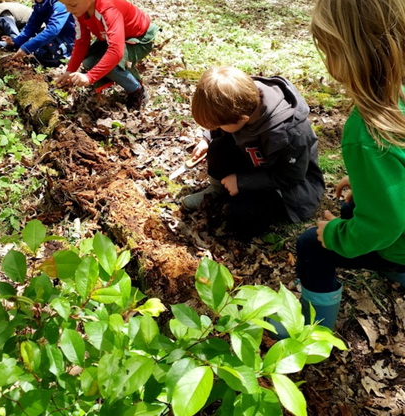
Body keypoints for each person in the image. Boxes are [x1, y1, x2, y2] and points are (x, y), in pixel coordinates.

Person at [295, 0, 405, 331]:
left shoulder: (366, 131)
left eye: (329, 50)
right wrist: (368, 183)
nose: (327, 61)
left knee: (310, 245)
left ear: (351, 55)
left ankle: (313, 333)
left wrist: (336, 235)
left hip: (399, 240)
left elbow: (386, 223)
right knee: (350, 206)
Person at [183, 66, 325, 238]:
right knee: (217, 147)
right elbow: (224, 122)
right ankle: (217, 190)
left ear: (243, 119)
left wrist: (243, 182)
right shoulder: (240, 99)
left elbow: (291, 176)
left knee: (242, 215)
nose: (216, 128)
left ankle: (237, 200)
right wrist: (206, 139)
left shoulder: (287, 133)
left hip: (288, 188)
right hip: (255, 160)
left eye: (218, 125)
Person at [55, 0, 158, 111]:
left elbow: (116, 52)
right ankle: (117, 77)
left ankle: (137, 91)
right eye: (65, 5)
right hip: (113, 38)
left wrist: (90, 77)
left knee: (112, 67)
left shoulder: (108, 9)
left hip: (139, 38)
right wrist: (70, 71)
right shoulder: (81, 11)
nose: (68, 9)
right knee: (89, 62)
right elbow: (81, 42)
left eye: (72, 5)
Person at [2, 0, 75, 67]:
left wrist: (26, 48)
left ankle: (68, 56)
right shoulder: (40, 4)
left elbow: (53, 30)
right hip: (55, 37)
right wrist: (16, 42)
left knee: (44, 52)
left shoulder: (60, 3)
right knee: (35, 42)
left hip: (69, 39)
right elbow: (31, 26)